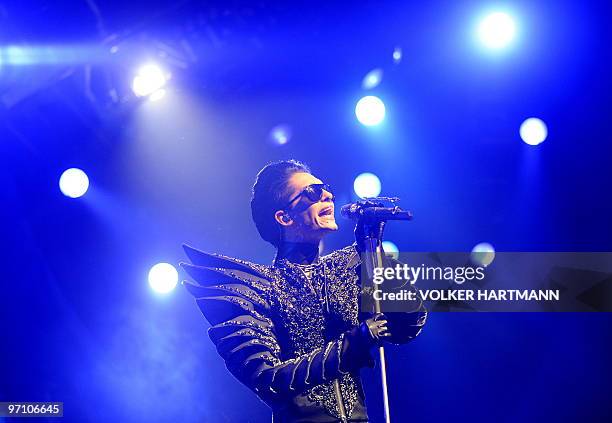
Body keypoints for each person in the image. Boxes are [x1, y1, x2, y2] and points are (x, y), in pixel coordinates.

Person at [181, 160, 427, 422]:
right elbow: (268, 381)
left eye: (326, 189)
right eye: (313, 192)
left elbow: (407, 326)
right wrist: (354, 342)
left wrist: (373, 253)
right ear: (284, 217)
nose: (328, 195)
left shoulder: (347, 267)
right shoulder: (260, 290)